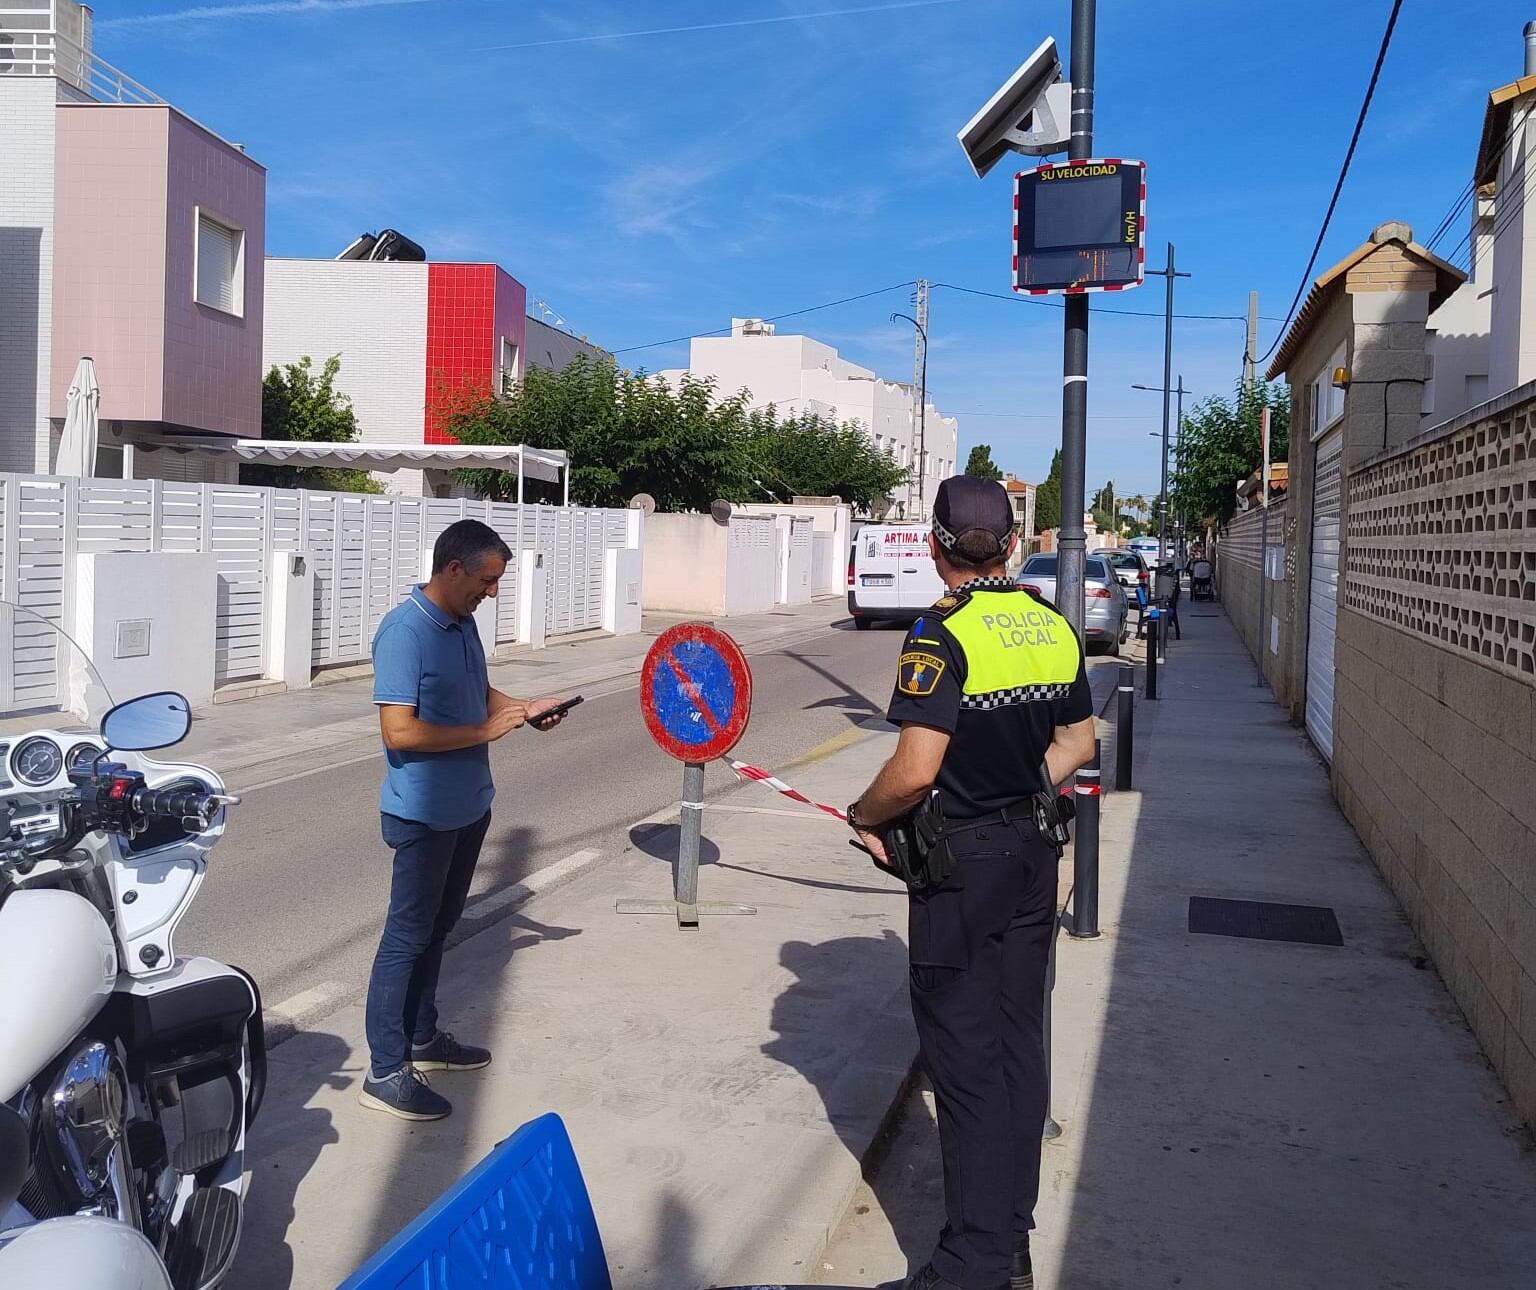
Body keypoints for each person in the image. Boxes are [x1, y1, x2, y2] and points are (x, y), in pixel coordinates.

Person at [847, 477, 1096, 1290]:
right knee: (1020, 1042)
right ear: (1017, 545)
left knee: (964, 1059)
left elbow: (914, 772)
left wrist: (867, 814)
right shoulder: (1052, 624)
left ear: (933, 547)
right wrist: (1026, 789)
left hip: (964, 863)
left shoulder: (939, 635)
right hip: (1033, 851)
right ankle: (1011, 1243)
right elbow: (1080, 740)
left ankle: (973, 1264)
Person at [359, 519, 568, 1122]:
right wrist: (485, 730)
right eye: (487, 580)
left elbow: (476, 689)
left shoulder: (461, 622)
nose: (492, 592)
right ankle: (385, 1069)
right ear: (453, 569)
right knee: (405, 938)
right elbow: (398, 730)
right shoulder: (405, 632)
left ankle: (422, 1037)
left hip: (470, 806)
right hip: (424, 814)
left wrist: (521, 708)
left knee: (440, 927)